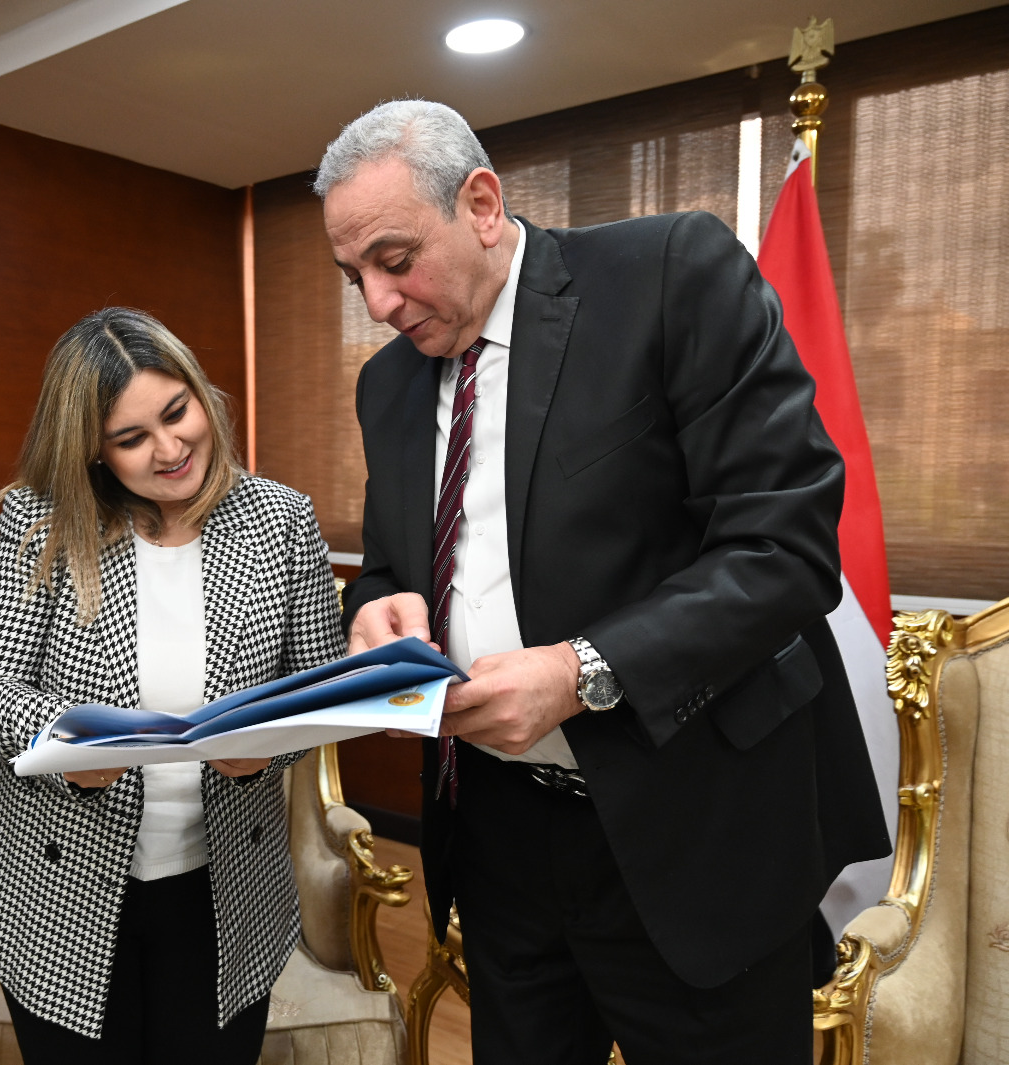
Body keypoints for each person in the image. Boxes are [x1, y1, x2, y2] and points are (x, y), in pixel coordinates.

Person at [317, 100, 890, 1064]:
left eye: (395, 258)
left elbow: (783, 544)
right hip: (498, 839)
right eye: (354, 275)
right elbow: (388, 562)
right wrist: (375, 604)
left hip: (693, 828)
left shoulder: (668, 275)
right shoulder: (389, 385)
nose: (377, 302)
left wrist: (584, 671)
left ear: (482, 204)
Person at [0, 307, 344, 1062]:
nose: (170, 448)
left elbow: (317, 688)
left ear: (200, 392)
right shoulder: (45, 520)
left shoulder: (281, 519)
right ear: (92, 450)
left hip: (225, 883)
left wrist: (272, 749)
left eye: (177, 412)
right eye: (131, 438)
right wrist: (65, 742)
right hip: (58, 886)